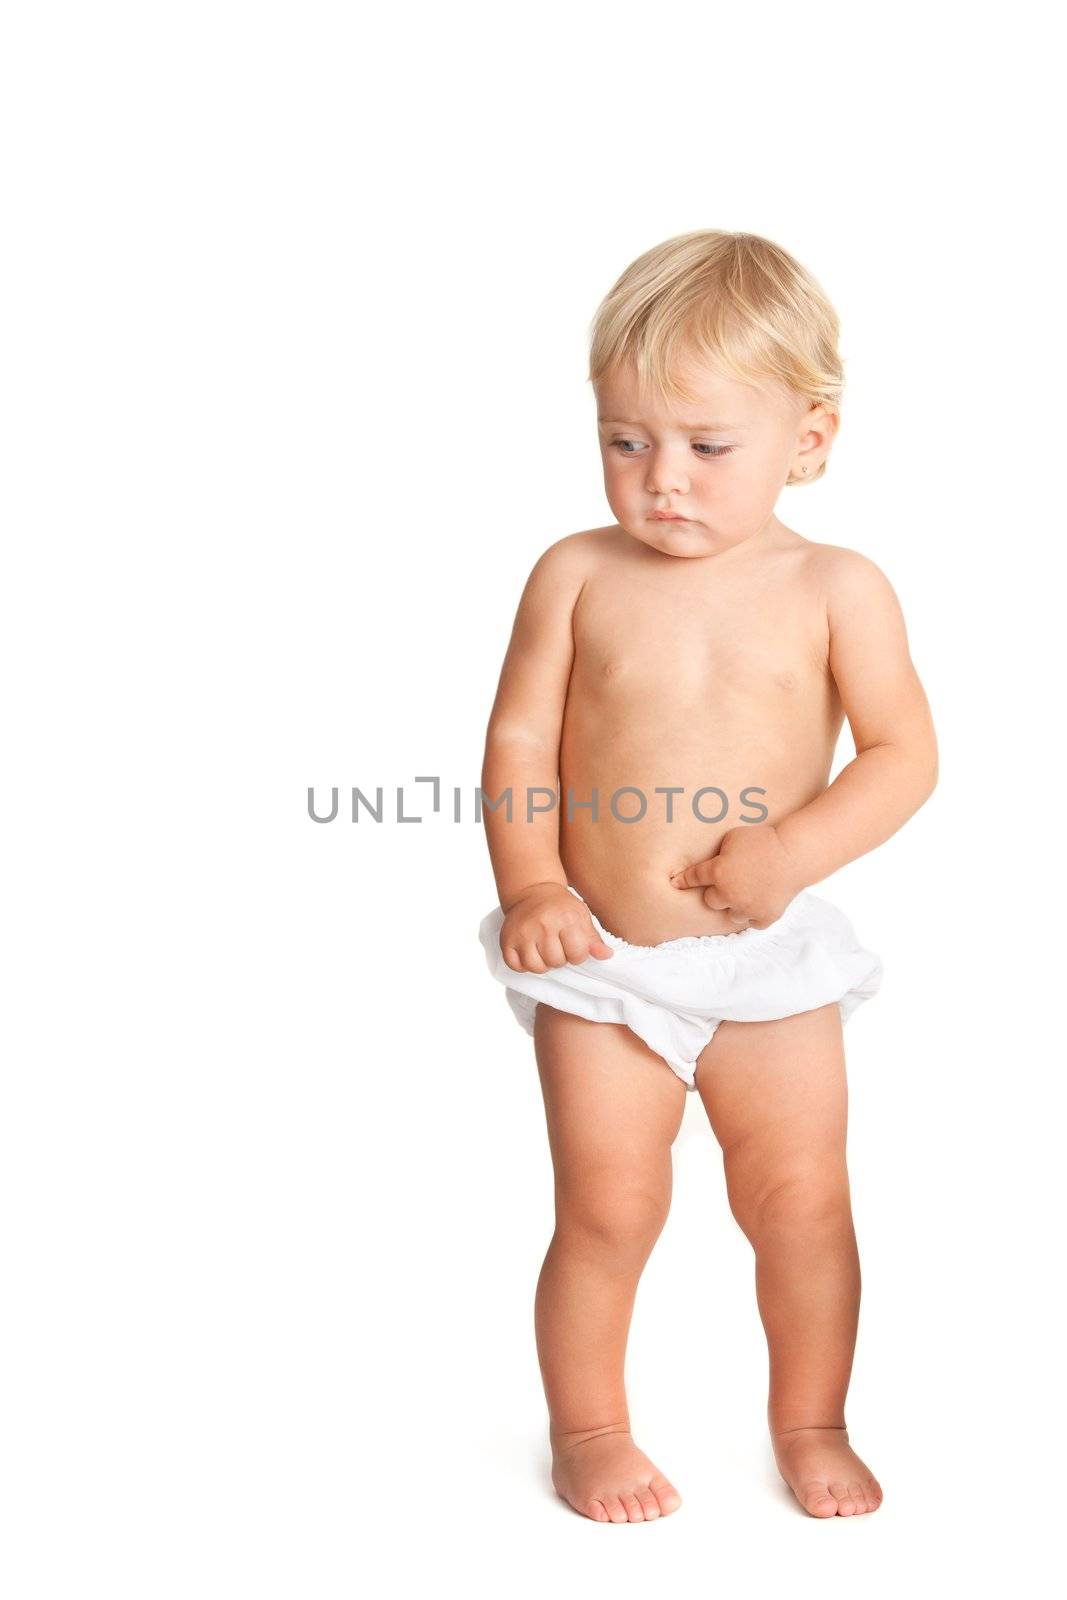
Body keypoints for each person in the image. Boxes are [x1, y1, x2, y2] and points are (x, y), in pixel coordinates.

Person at [478, 230, 937, 1524]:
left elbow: (905, 757)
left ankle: (810, 1417)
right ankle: (589, 1427)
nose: (660, 479)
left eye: (704, 445)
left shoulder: (835, 587)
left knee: (801, 1204)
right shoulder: (575, 575)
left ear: (811, 438)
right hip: (604, 960)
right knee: (609, 1207)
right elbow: (516, 743)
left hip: (766, 962)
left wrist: (793, 853)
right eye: (626, 441)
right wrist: (533, 888)